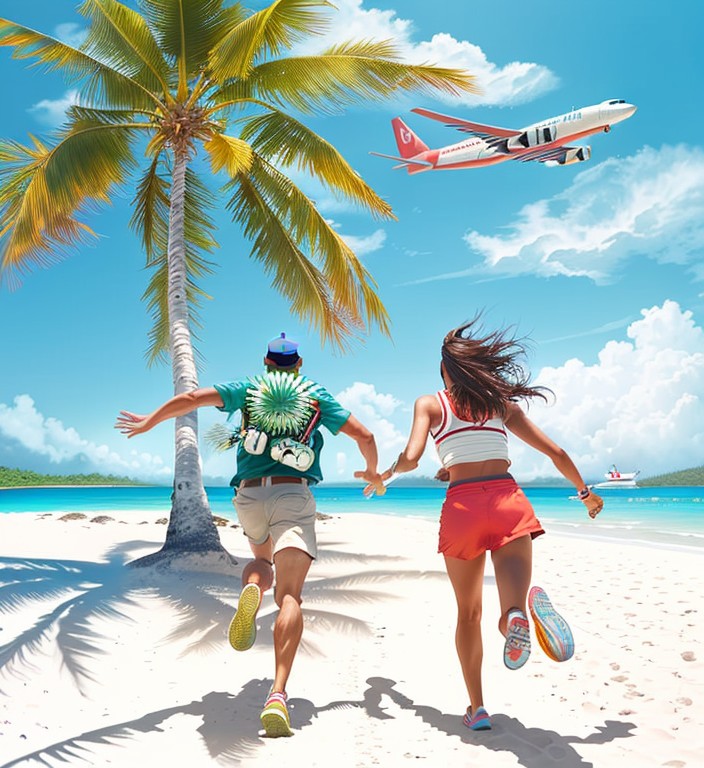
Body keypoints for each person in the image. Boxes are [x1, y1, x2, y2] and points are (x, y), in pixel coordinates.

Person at [115, 332, 384, 738]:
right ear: (298, 364)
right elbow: (365, 436)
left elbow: (190, 400)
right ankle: (277, 693)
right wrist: (372, 472)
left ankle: (251, 591)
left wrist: (149, 420)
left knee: (260, 561)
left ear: (266, 362)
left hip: (249, 496)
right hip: (293, 494)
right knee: (290, 595)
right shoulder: (315, 395)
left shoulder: (247, 389)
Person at [369, 319, 603, 732]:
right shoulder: (500, 405)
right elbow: (556, 452)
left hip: (463, 510)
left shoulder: (430, 403)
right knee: (510, 605)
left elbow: (411, 457)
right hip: (508, 502)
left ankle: (477, 709)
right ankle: (516, 617)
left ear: (445, 371)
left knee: (468, 613)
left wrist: (384, 475)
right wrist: (586, 494)